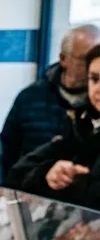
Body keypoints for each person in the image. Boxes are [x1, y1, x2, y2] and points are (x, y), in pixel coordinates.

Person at [0, 24, 100, 178]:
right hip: (31, 189)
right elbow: (7, 153)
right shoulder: (31, 97)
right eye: (85, 59)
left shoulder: (92, 113)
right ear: (63, 59)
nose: (91, 66)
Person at [7, 44, 100, 208]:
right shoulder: (79, 126)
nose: (98, 89)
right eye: (94, 79)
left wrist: (74, 184)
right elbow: (18, 174)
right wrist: (47, 174)